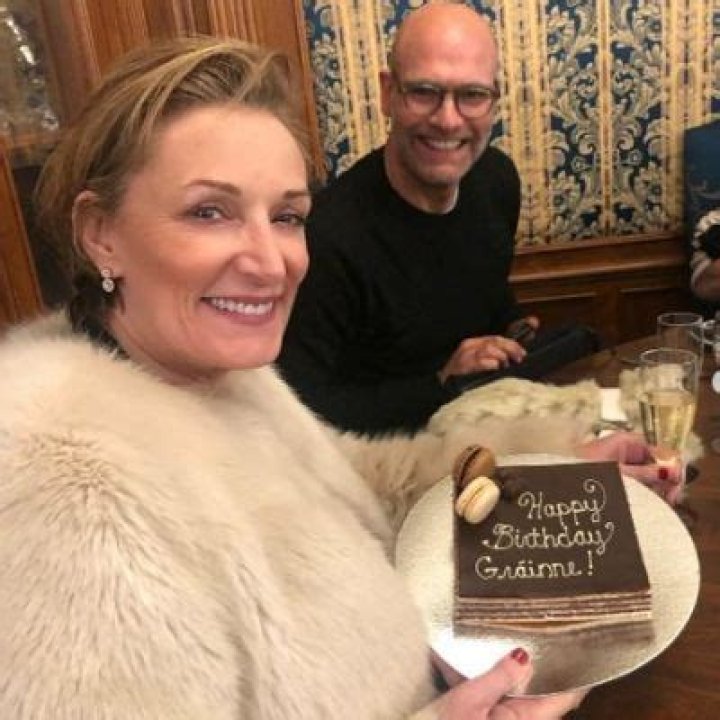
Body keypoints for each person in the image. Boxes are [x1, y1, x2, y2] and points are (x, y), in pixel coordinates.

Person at [0, 36, 677, 719]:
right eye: (210, 212)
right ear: (100, 232)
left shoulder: (212, 371)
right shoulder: (61, 485)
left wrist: (559, 473)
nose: (272, 262)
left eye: (287, 217)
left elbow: (362, 488)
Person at [278, 1, 538, 435]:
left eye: (472, 95)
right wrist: (441, 382)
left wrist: (513, 328)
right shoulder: (327, 237)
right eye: (424, 91)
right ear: (387, 93)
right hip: (380, 459)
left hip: (484, 432)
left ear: (493, 101)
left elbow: (485, 301)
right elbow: (306, 412)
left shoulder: (497, 181)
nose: (448, 120)